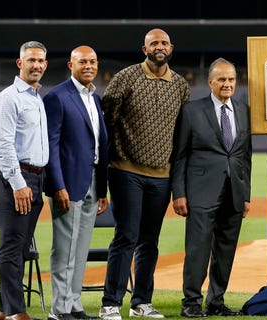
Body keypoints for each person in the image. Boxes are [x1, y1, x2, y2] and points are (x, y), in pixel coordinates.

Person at [98, 28, 191, 320]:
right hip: (126, 171)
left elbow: (181, 135)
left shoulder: (179, 85)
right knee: (126, 236)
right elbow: (106, 122)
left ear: (171, 48)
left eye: (164, 43)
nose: (159, 47)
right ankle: (110, 303)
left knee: (149, 241)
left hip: (162, 177)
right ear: (144, 49)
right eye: (154, 43)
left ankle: (141, 302)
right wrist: (111, 164)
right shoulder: (126, 77)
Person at [172, 57, 252, 318]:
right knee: (198, 250)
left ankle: (216, 301)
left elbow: (244, 156)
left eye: (231, 79)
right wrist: (179, 193)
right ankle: (191, 303)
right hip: (200, 192)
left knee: (226, 251)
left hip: (234, 192)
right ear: (210, 82)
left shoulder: (243, 110)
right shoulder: (192, 111)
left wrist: (246, 194)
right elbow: (180, 156)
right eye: (221, 79)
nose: (227, 84)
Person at [43, 45, 109, 320]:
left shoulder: (95, 98)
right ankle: (60, 309)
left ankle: (74, 304)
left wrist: (103, 188)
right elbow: (51, 146)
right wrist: (57, 186)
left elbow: (100, 144)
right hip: (68, 184)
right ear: (71, 66)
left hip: (93, 181)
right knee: (65, 249)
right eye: (83, 62)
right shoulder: (57, 97)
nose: (89, 66)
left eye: (93, 61)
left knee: (80, 249)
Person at [0, 40, 48, 320]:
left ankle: (4, 310)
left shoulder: (37, 97)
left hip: (35, 178)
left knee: (21, 248)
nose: (36, 65)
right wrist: (18, 183)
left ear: (45, 65)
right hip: (15, 177)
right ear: (20, 63)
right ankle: (16, 312)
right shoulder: (9, 98)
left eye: (40, 61)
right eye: (31, 60)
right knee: (12, 246)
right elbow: (3, 146)